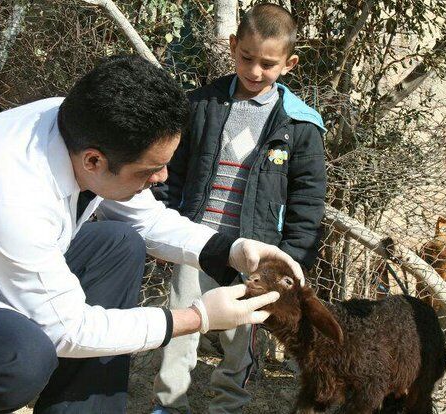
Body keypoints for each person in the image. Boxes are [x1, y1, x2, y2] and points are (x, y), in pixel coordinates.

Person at [0, 54, 305, 414]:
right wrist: (197, 318)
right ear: (94, 160)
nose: (161, 177)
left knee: (117, 244)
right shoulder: (9, 186)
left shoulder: (78, 125)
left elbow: (146, 218)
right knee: (18, 357)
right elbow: (66, 329)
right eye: (150, 170)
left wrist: (233, 250)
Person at [151, 4, 326, 414]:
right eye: (247, 57)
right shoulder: (201, 105)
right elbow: (172, 169)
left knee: (241, 337)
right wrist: (162, 223)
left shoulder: (301, 125)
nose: (255, 71)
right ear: (232, 46)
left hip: (258, 257)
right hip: (196, 243)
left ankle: (227, 406)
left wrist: (292, 259)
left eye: (268, 64)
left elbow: (308, 199)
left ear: (289, 63)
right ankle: (168, 404)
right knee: (181, 327)